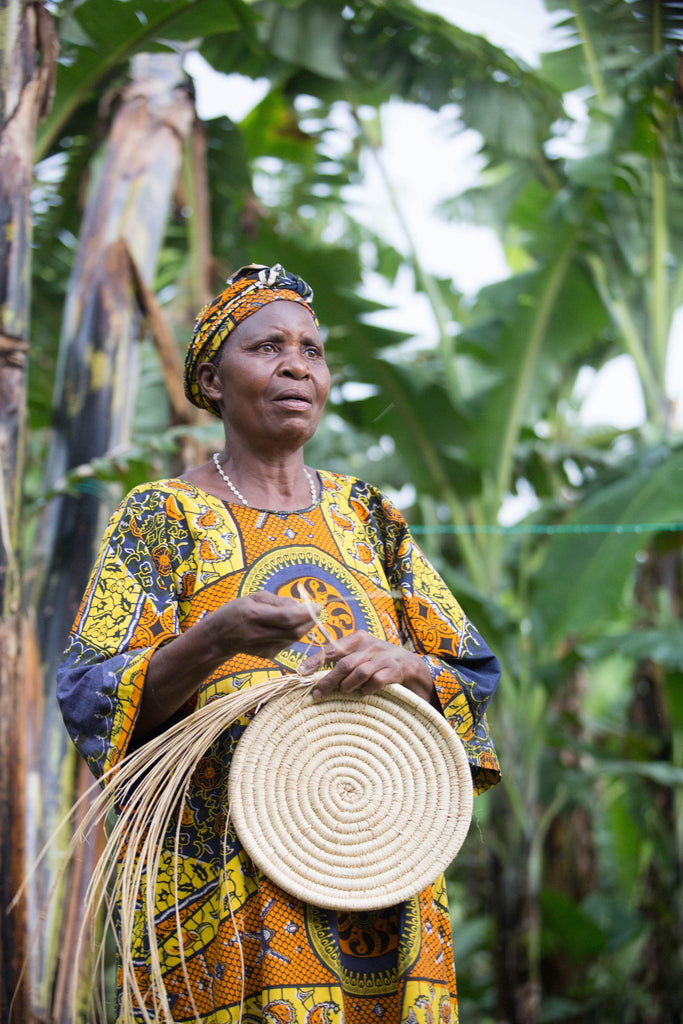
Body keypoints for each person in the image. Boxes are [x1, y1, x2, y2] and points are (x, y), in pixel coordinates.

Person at [57, 263, 501, 1024]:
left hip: (376, 866)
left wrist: (408, 665)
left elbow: (468, 666)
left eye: (312, 350)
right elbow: (91, 691)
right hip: (224, 879)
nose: (297, 364)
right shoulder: (162, 515)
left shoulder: (367, 513)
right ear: (213, 380)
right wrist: (215, 638)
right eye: (266, 347)